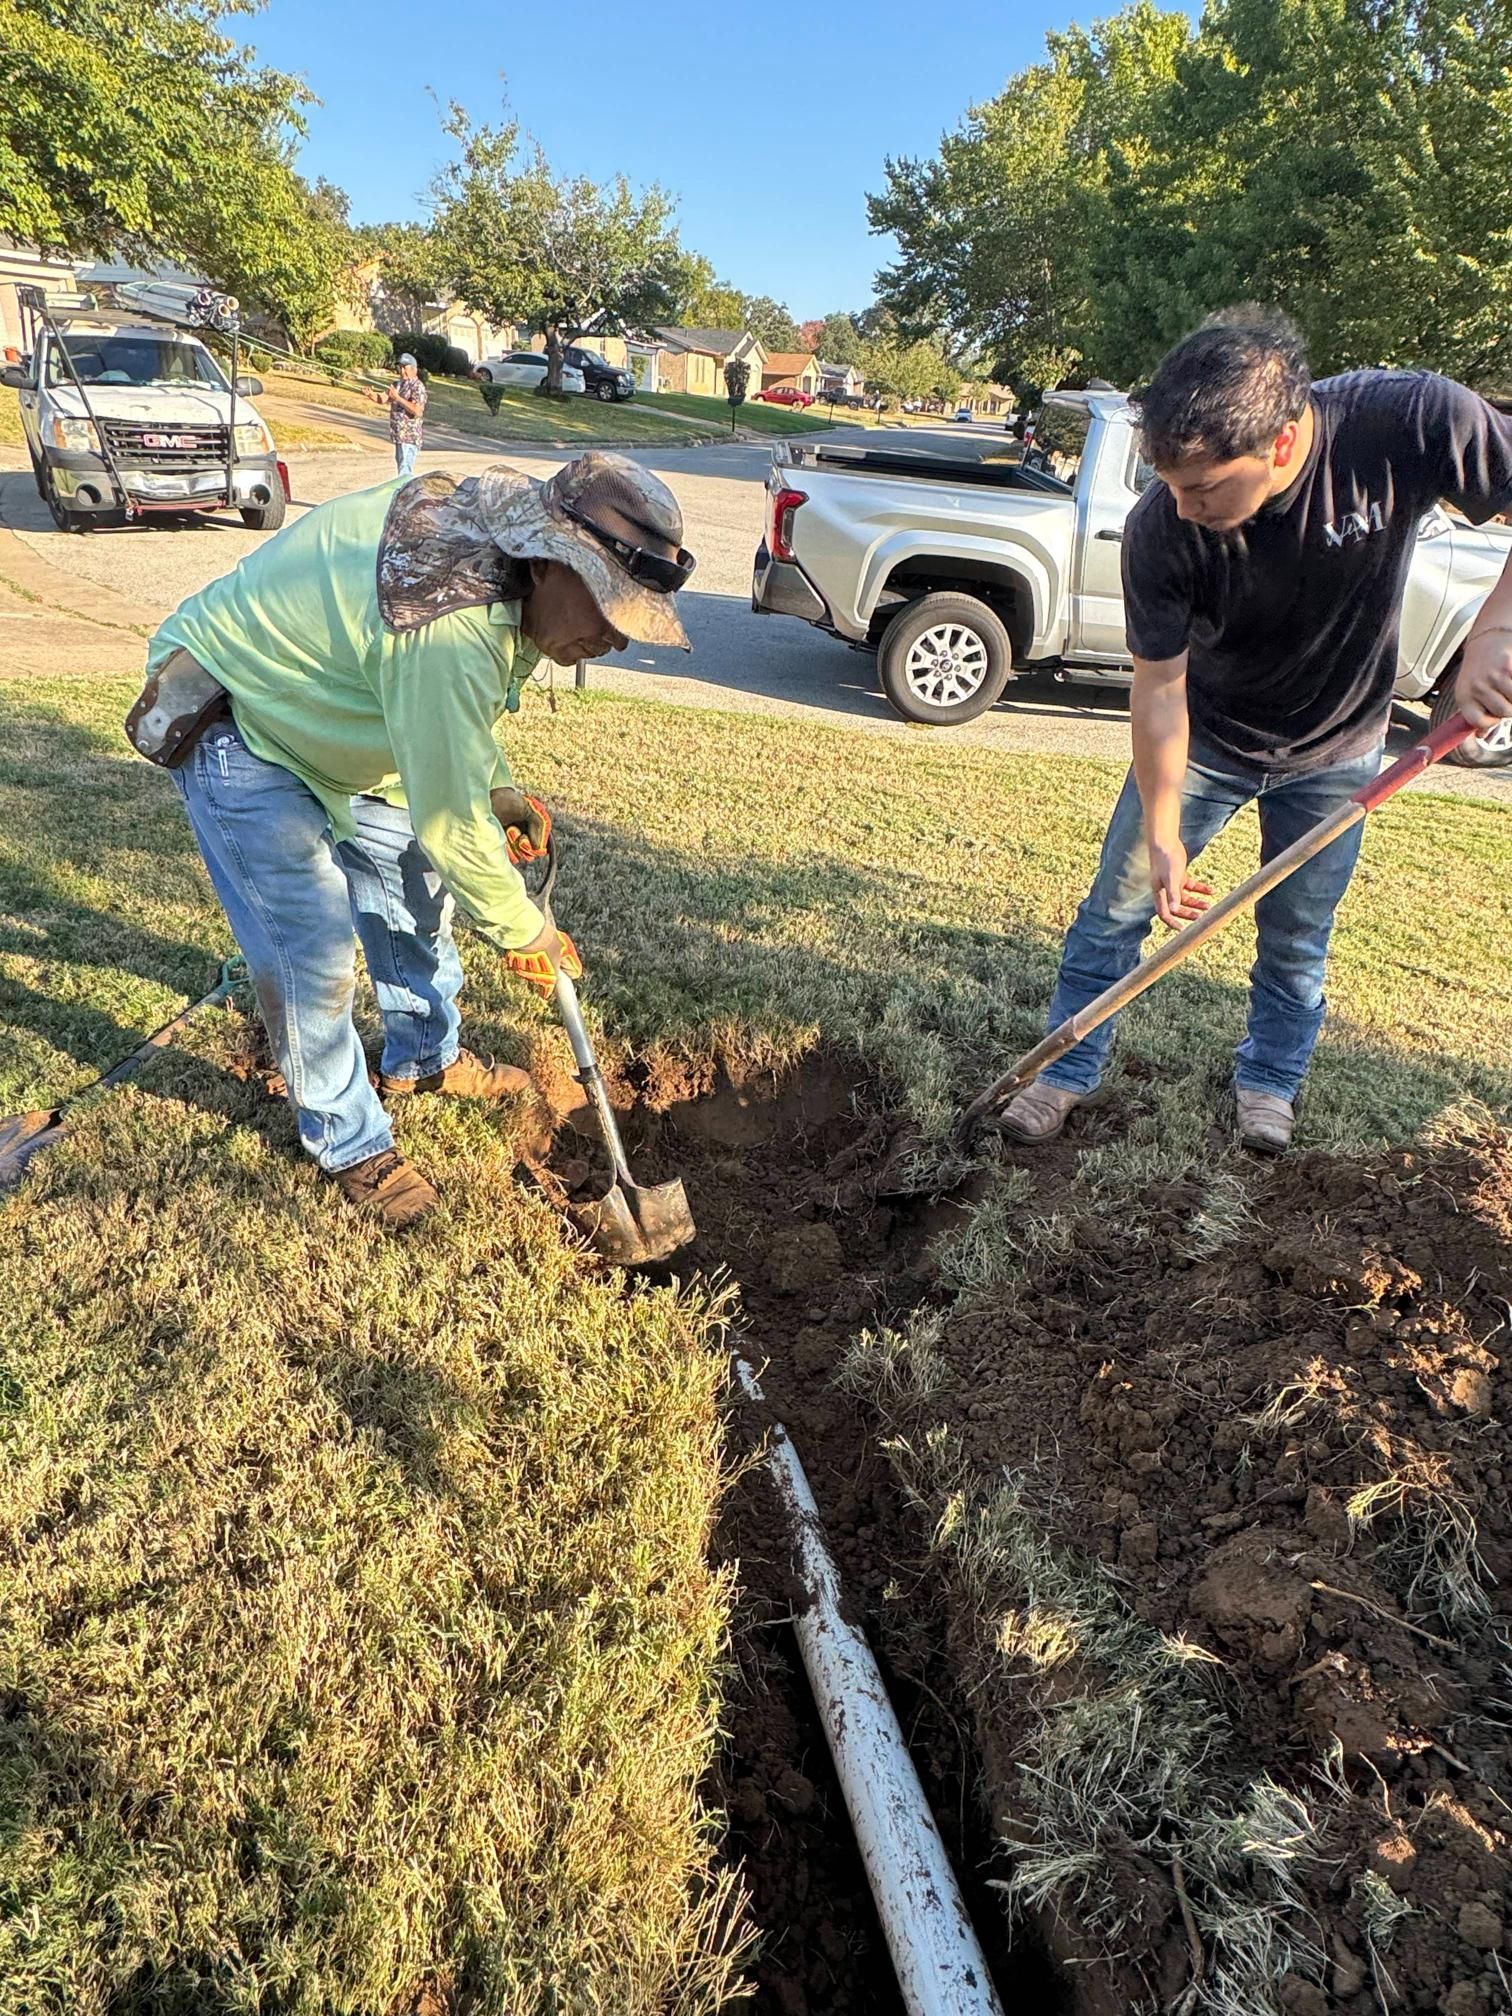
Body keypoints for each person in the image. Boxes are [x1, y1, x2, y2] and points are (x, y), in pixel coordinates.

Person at [124, 452, 695, 1226]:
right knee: (310, 947)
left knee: (410, 888)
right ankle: (351, 1143)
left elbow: (451, 724)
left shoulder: (505, 575)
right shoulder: (452, 618)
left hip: (346, 716)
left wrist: (496, 788)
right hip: (243, 717)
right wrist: (523, 931)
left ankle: (423, 1058)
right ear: (555, 564)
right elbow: (451, 819)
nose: (618, 642)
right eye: (611, 611)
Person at [1001, 307, 1512, 1155]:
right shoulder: (1161, 530)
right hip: (1206, 739)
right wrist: (1164, 833)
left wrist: (1493, 632)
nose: (1182, 503)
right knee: (1115, 908)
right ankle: (1064, 1067)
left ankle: (1270, 1083)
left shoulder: (1410, 420)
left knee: (1297, 937)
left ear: (1279, 445)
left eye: (1204, 486)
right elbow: (1160, 686)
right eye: (1168, 481)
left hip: (1338, 751)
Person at [373, 352, 426, 476]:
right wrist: (371, 395)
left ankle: (405, 494)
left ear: (413, 369)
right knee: (401, 468)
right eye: (400, 367)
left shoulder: (417, 387)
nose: (402, 371)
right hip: (399, 436)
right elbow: (384, 398)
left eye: (405, 367)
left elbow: (417, 410)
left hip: (409, 437)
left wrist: (398, 398)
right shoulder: (398, 385)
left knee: (404, 471)